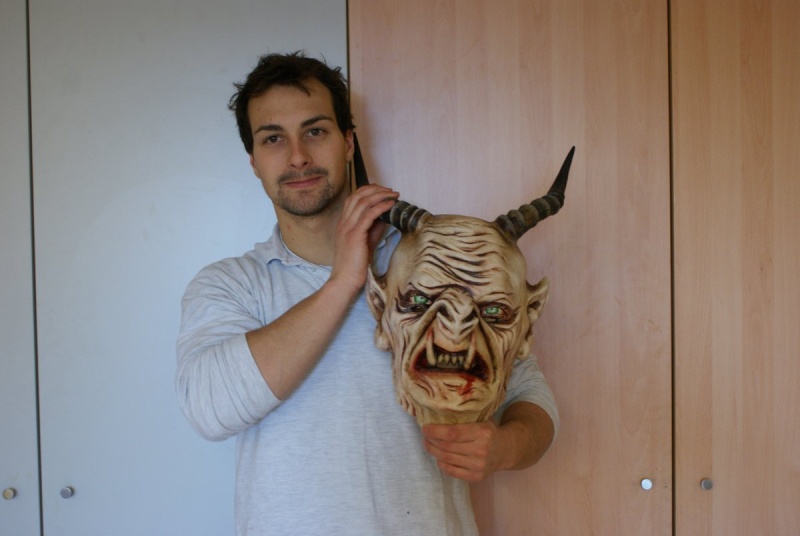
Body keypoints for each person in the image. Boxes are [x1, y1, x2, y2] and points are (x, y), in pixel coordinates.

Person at [176, 51, 558, 535]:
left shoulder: (433, 265)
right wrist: (343, 281)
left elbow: (530, 395)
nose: (298, 156)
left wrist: (505, 447)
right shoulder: (230, 284)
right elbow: (212, 411)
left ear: (348, 142)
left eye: (315, 131)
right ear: (253, 161)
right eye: (273, 138)